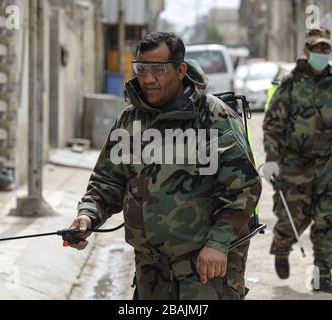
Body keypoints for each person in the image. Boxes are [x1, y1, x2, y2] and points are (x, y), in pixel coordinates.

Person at [68, 32, 262, 300]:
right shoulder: (130, 121)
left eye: (157, 69)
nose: (148, 78)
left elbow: (243, 187)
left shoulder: (214, 117)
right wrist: (88, 215)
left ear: (180, 69)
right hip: (152, 273)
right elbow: (107, 181)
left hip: (206, 273)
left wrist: (218, 242)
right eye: (141, 69)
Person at [262, 28, 332, 294]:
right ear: (306, 52)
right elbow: (273, 125)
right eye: (316, 49)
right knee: (291, 219)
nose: (322, 54)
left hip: (326, 164)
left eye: (326, 49)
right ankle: (282, 247)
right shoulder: (291, 83)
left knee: (328, 220)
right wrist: (272, 161)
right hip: (294, 164)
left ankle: (322, 277)